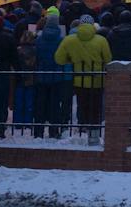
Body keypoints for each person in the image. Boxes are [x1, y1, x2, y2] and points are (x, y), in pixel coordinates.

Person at [55, 14, 111, 145]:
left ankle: (83, 127)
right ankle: (94, 132)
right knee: (96, 106)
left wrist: (72, 60)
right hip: (97, 80)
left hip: (79, 80)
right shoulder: (101, 40)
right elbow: (108, 59)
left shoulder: (69, 40)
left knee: (82, 104)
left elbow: (59, 58)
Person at [33, 15, 66, 139]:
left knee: (40, 104)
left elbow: (36, 56)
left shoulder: (39, 39)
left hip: (41, 75)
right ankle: (54, 130)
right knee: (55, 105)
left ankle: (38, 131)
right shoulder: (61, 40)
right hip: (56, 76)